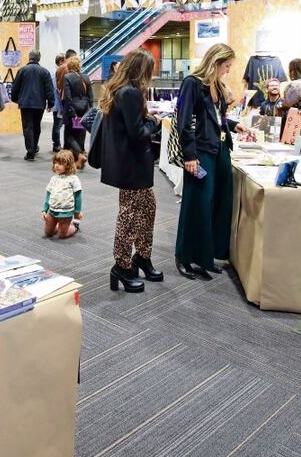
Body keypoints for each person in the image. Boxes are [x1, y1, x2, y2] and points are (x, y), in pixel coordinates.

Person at [174, 44, 245, 280]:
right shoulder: (193, 83)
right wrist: (190, 155)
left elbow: (217, 117)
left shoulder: (216, 85)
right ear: (216, 61)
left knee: (218, 204)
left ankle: (206, 256)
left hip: (221, 149)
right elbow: (184, 122)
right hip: (201, 151)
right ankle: (185, 256)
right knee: (197, 204)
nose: (228, 70)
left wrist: (235, 126)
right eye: (226, 65)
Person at [99, 49, 163, 293]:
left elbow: (128, 126)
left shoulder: (119, 90)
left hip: (127, 163)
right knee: (129, 216)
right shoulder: (131, 93)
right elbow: (137, 133)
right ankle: (122, 265)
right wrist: (153, 122)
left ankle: (141, 257)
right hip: (132, 165)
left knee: (147, 209)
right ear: (140, 70)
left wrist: (145, 118)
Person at [10, 50, 55, 161]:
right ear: (39, 58)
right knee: (36, 126)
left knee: (27, 127)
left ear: (29, 58)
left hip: (25, 104)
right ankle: (34, 147)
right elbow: (49, 89)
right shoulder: (44, 72)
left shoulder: (22, 70)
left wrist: (15, 99)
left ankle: (30, 151)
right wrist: (50, 103)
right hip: (39, 104)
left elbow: (15, 87)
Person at [60, 56, 93, 169]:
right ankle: (78, 157)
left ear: (69, 66)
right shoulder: (86, 77)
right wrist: (89, 110)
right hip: (84, 109)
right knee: (80, 133)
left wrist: (71, 112)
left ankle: (79, 154)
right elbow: (91, 97)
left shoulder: (68, 77)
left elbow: (68, 97)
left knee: (69, 135)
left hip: (72, 108)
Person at [41, 149, 82, 239]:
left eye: (60, 164)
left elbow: (78, 196)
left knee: (62, 235)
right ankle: (60, 226)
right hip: (52, 211)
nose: (56, 166)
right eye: (55, 162)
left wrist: (77, 212)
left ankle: (74, 227)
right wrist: (45, 209)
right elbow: (48, 194)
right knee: (48, 232)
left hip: (66, 212)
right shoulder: (54, 179)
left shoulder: (73, 179)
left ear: (68, 165)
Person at [50, 54, 65, 153]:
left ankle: (56, 144)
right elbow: (58, 90)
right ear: (60, 61)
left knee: (57, 125)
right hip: (59, 105)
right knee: (57, 126)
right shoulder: (58, 73)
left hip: (56, 104)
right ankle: (57, 145)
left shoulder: (54, 73)